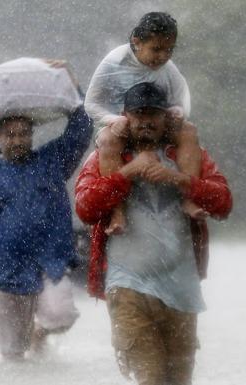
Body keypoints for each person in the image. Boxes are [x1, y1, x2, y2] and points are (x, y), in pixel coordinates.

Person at [75, 83, 232, 385]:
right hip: (127, 287)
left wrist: (180, 180)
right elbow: (85, 208)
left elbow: (223, 203)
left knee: (178, 380)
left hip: (182, 290)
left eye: (154, 114)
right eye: (138, 114)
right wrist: (128, 172)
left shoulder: (189, 155)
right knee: (152, 379)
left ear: (167, 117)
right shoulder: (105, 156)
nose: (146, 121)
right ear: (125, 117)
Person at [0, 104, 93, 360]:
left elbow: (81, 131)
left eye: (23, 134)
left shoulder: (51, 162)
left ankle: (39, 334)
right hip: (3, 271)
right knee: (13, 357)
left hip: (49, 263)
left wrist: (73, 89)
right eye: (10, 135)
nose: (17, 140)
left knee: (61, 315)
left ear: (32, 135)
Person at [85, 12, 205, 236]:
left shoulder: (168, 68)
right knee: (107, 139)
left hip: (158, 126)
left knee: (189, 131)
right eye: (156, 49)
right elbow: (91, 104)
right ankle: (118, 211)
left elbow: (182, 101)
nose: (162, 57)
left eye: (169, 50)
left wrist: (178, 112)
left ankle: (189, 199)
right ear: (136, 42)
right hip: (121, 126)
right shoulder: (114, 61)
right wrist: (114, 119)